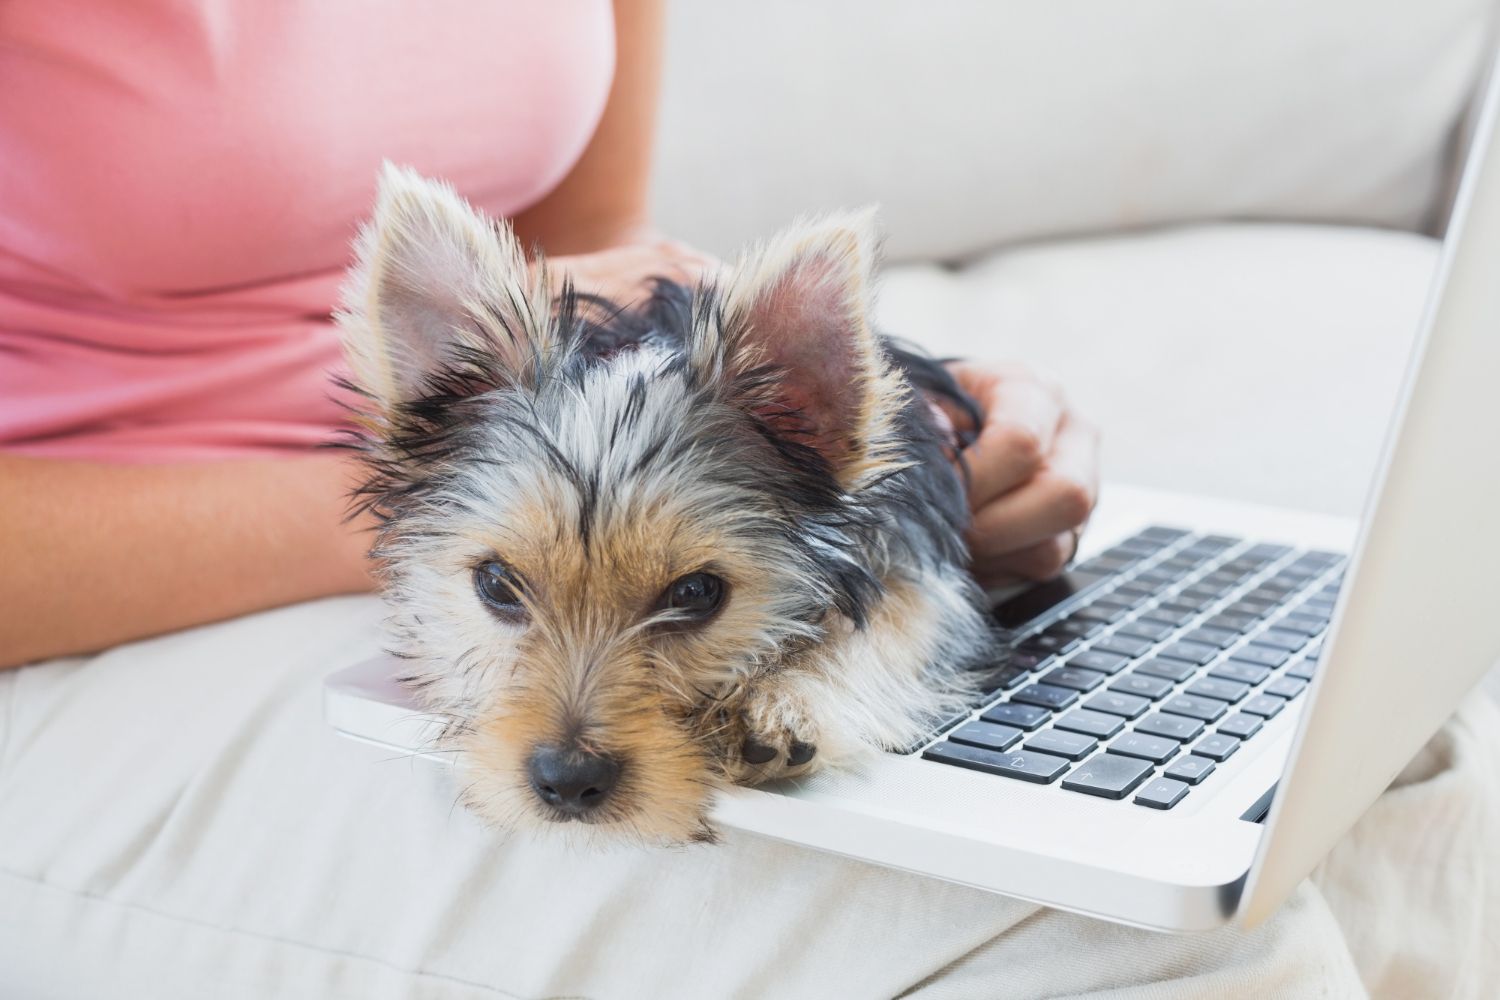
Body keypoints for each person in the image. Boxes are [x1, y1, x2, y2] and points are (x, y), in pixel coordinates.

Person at [0, 0, 1098, 669]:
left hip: (517, 535)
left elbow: (595, 260)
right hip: (113, 605)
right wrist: (472, 531)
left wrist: (866, 443)